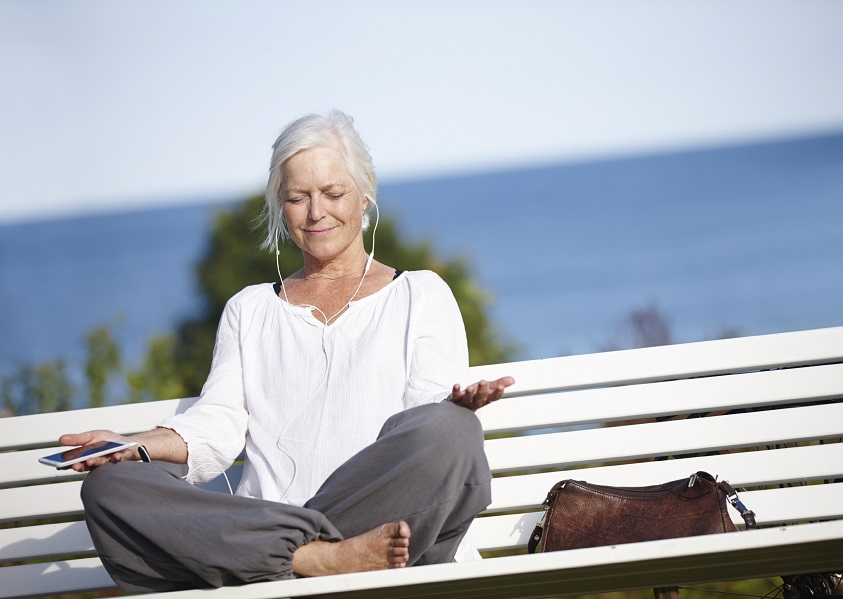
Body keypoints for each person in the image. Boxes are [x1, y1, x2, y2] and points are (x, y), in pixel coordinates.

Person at [59, 110, 515, 592]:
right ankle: (317, 557)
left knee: (452, 429)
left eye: (334, 194)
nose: (317, 212)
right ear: (281, 206)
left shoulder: (420, 294)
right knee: (110, 487)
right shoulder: (249, 309)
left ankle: (296, 555)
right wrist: (135, 447)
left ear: (366, 195)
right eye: (298, 198)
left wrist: (454, 406)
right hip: (285, 526)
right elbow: (217, 424)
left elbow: (424, 417)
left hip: (382, 525)